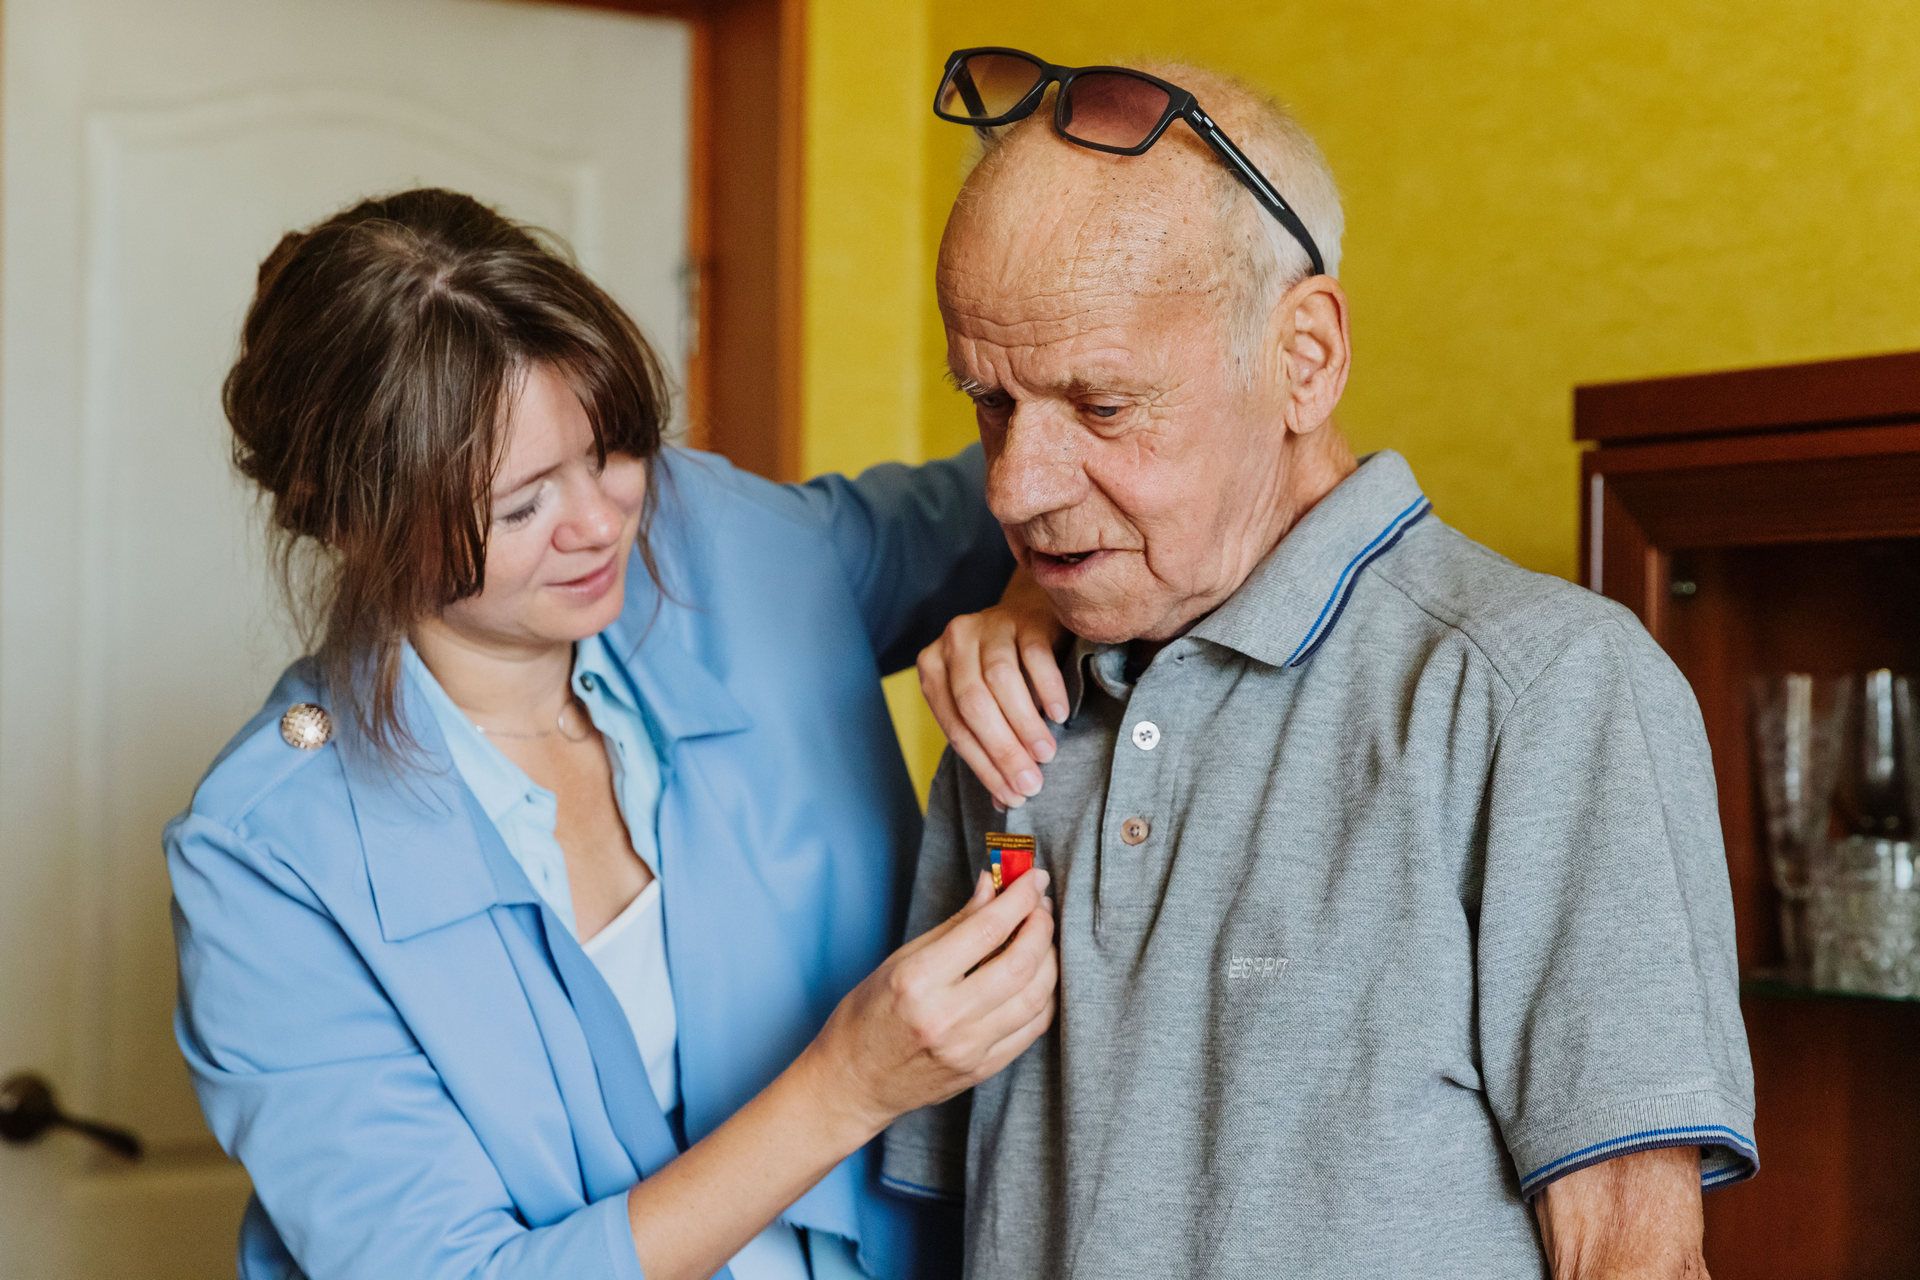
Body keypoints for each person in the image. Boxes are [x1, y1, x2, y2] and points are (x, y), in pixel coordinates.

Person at [883, 52, 1757, 1279]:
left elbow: (1633, 1254)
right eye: (990, 402)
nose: (1016, 488)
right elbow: (952, 1214)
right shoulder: (1016, 693)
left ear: (1305, 358)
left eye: (1102, 405)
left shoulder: (1540, 692)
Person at [165, 187, 1065, 1280]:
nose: (602, 522)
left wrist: (1031, 584)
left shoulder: (717, 535)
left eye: (614, 449)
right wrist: (853, 1084)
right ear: (358, 517)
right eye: (520, 505)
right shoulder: (267, 853)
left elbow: (1023, 495)